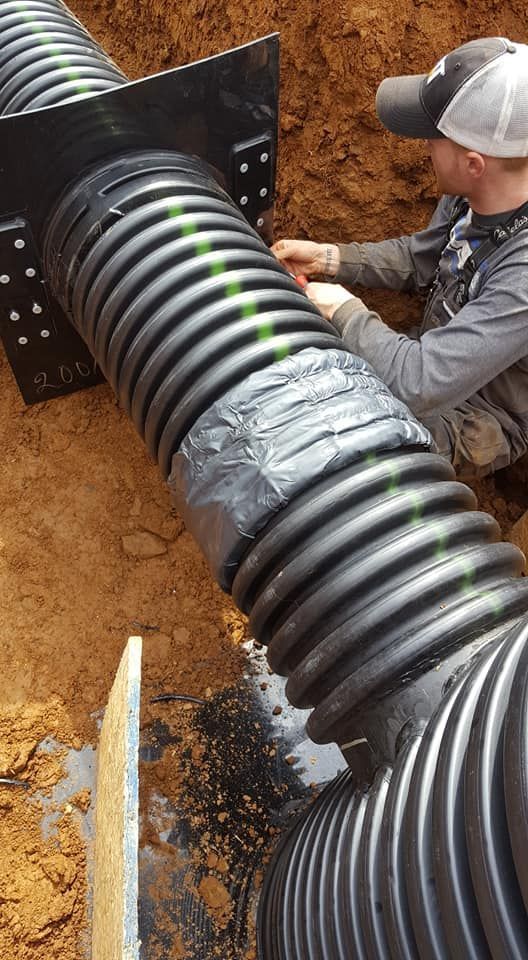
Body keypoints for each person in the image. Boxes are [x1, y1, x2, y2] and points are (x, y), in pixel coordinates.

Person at [272, 37, 528, 478]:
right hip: (429, 356)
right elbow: (420, 259)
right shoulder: (473, 196)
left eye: (434, 135)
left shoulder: (522, 275)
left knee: (336, 447)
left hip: (478, 417)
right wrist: (330, 259)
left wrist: (344, 310)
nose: (424, 144)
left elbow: (419, 382)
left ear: (473, 163)